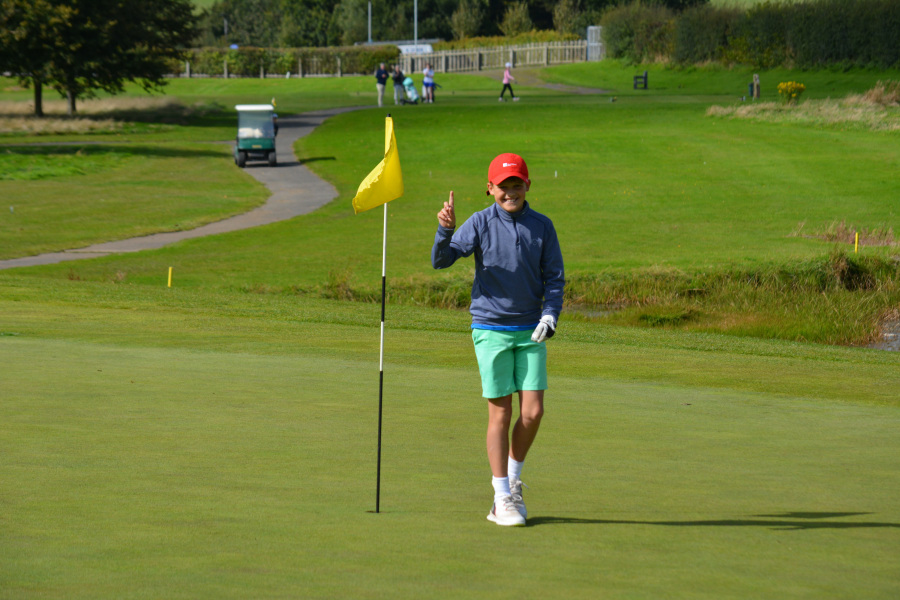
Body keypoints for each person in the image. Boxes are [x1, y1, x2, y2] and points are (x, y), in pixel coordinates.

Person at [431, 153, 565, 527]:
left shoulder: (542, 226)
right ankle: (501, 496)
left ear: (527, 186)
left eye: (516, 184)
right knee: (501, 413)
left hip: (530, 329)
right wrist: (445, 230)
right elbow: (441, 261)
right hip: (490, 328)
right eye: (503, 186)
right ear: (490, 188)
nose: (510, 192)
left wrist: (550, 315)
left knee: (533, 412)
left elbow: (554, 278)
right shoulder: (479, 223)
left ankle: (513, 478)